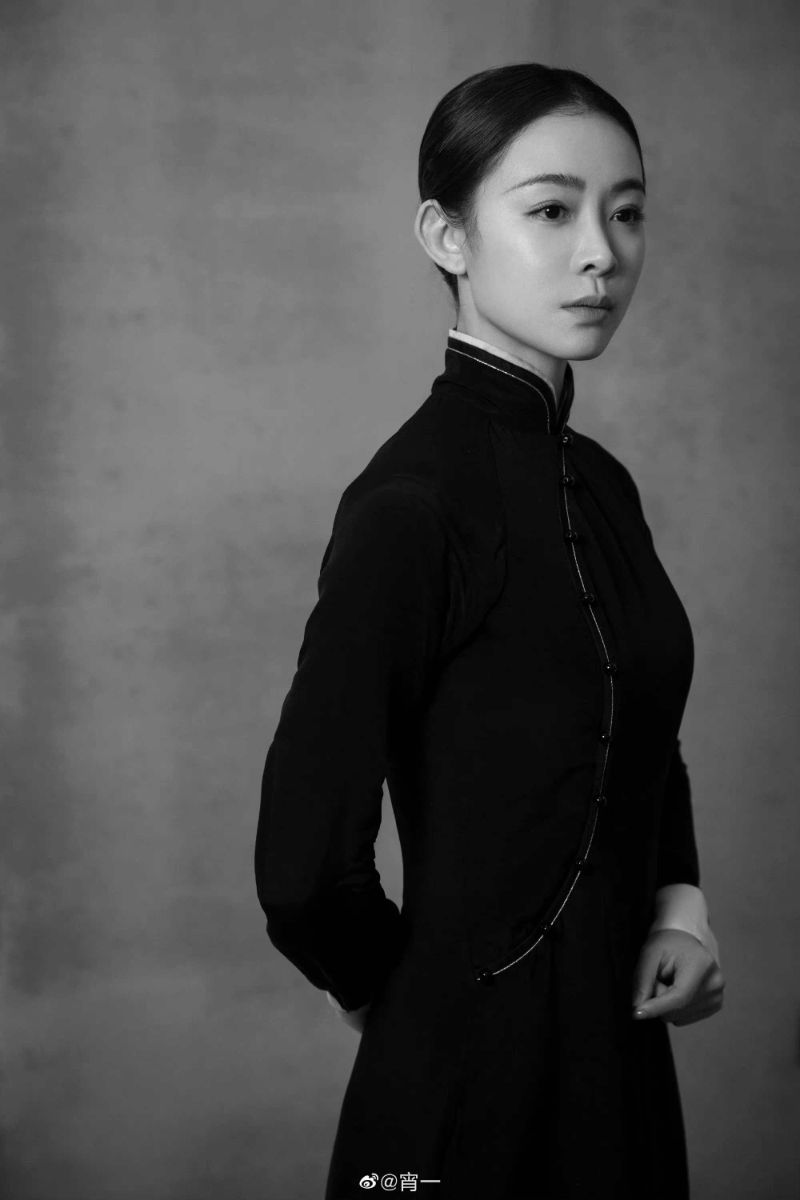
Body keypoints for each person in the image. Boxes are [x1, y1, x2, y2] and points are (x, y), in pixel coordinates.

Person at [254, 62, 725, 1200]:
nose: (600, 253)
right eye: (552, 210)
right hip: (461, 1096)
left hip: (620, 1069)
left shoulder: (602, 487)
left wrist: (679, 906)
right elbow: (303, 865)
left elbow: (634, 717)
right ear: (448, 236)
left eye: (626, 213)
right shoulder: (410, 506)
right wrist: (410, 997)